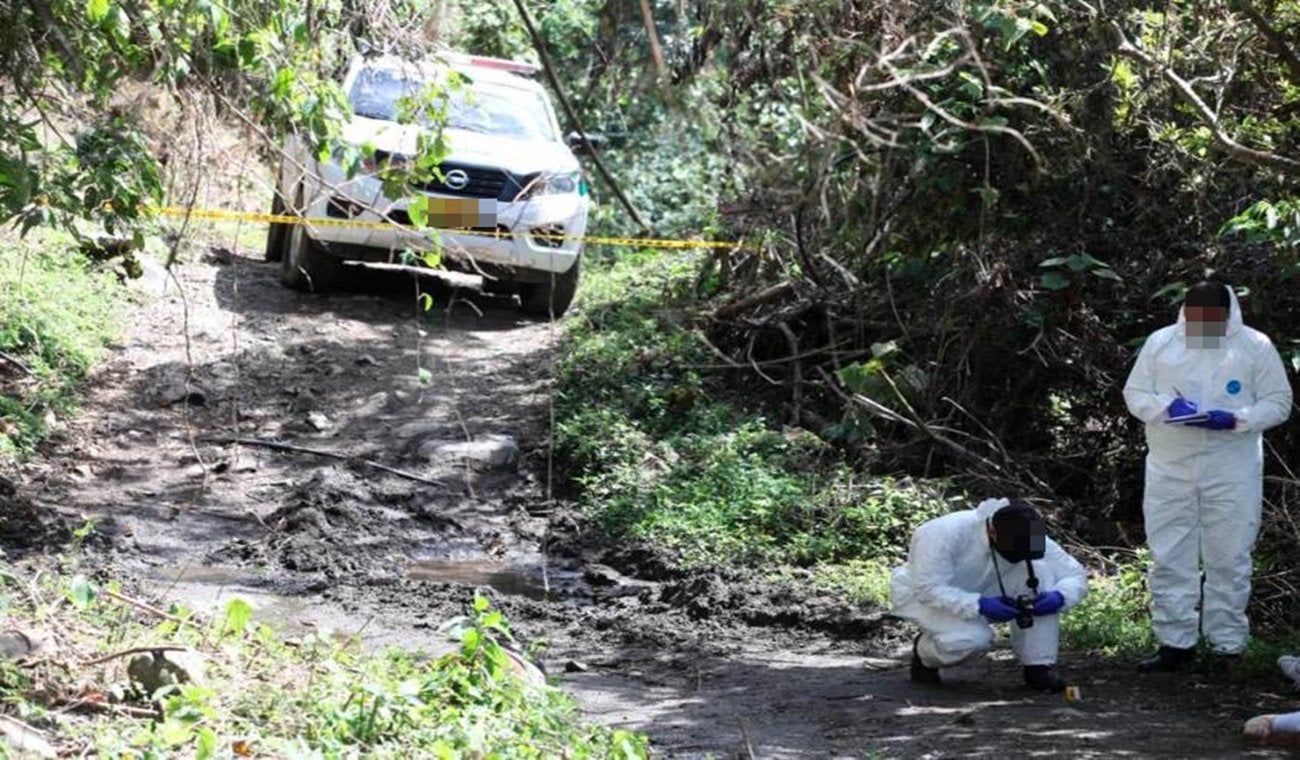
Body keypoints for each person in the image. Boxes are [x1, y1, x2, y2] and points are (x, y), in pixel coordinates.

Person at [1123, 280, 1292, 672]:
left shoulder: (1254, 346)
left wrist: (1236, 419)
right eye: (1195, 317)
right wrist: (1167, 408)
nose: (1202, 325)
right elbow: (1135, 394)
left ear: (1228, 315)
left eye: (1212, 319)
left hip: (1231, 467)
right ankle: (1174, 642)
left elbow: (1279, 402)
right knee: (1169, 554)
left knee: (1229, 555)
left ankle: (1226, 646)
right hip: (1170, 464)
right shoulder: (1162, 342)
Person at [890, 498, 1089, 692]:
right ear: (992, 532)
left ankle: (1038, 666)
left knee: (1040, 570)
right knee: (971, 639)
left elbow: (1074, 574)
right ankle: (925, 654)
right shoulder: (941, 533)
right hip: (925, 598)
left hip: (984, 588)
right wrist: (979, 605)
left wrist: (1061, 596)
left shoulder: (1028, 532)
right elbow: (928, 589)